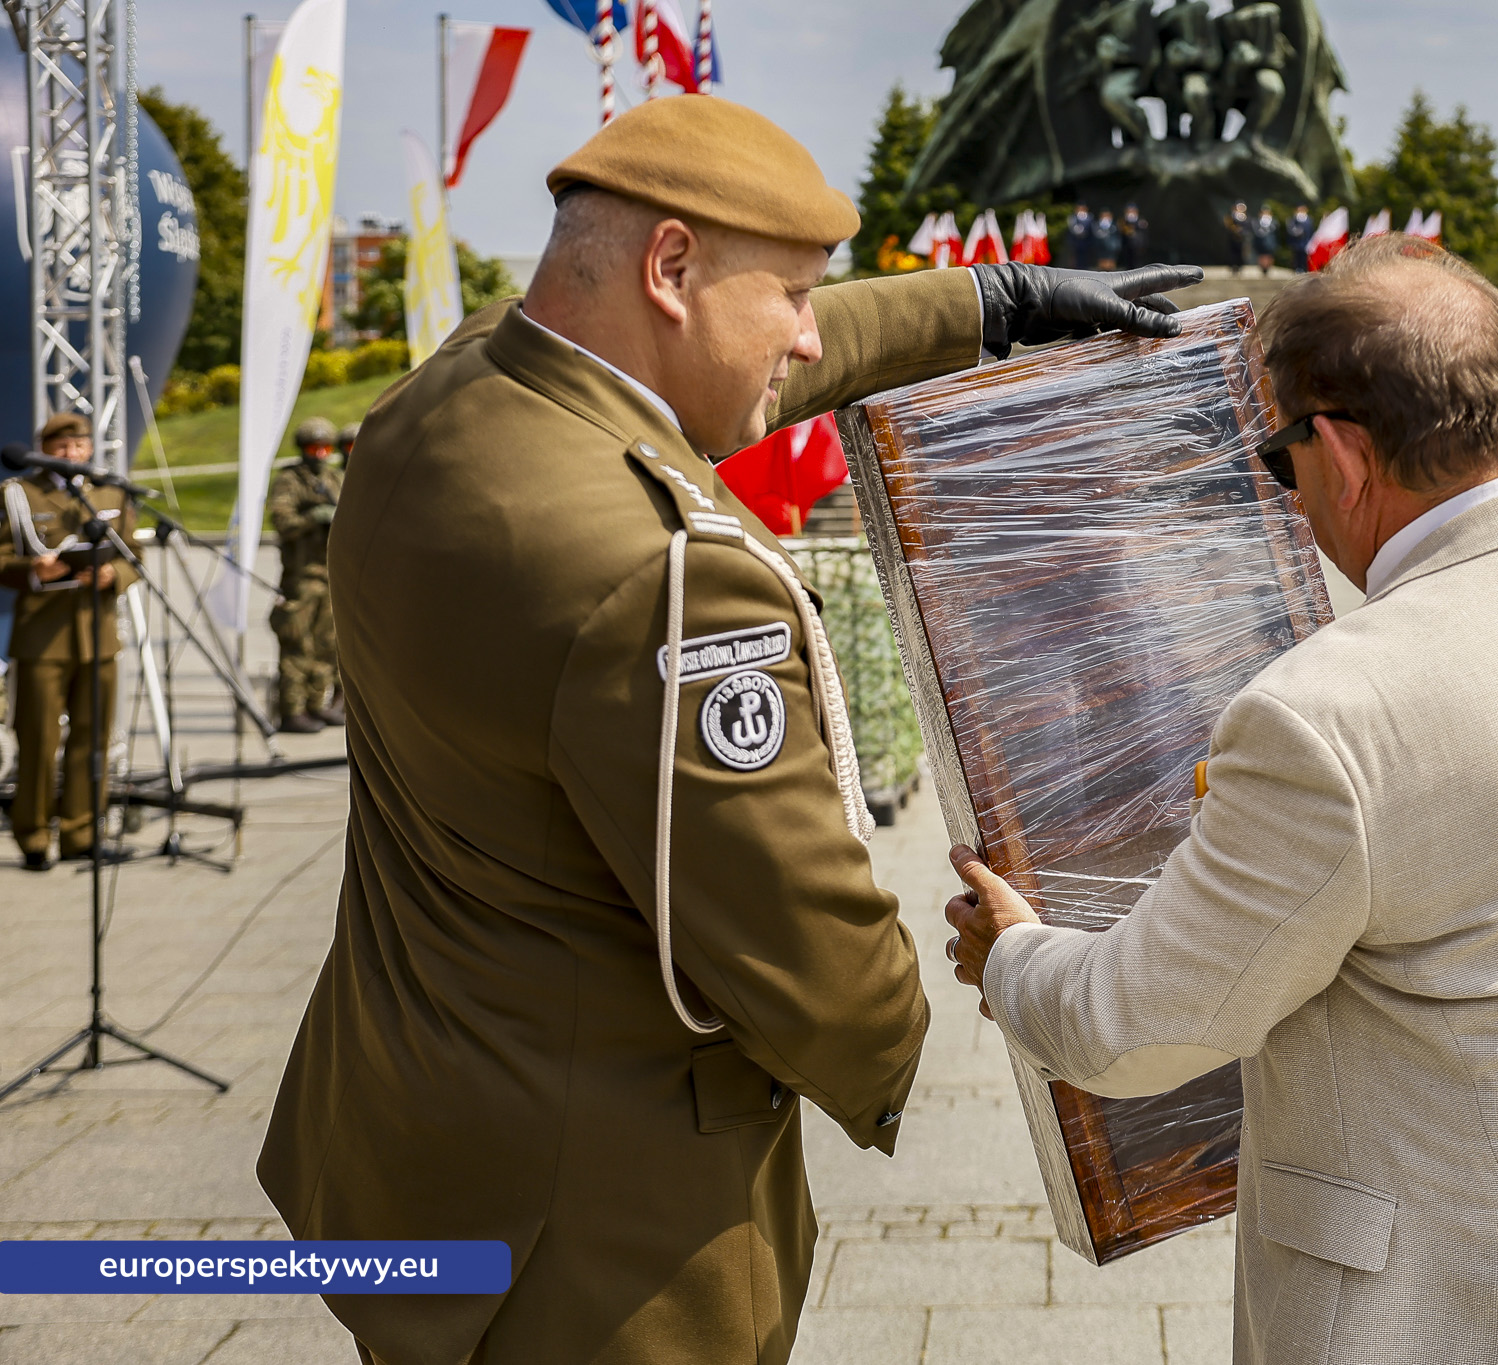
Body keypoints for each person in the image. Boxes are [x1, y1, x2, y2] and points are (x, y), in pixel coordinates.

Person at [256, 94, 1198, 1365]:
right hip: (601, 1239)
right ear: (670, 266)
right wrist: (973, 1003)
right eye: (796, 295)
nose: (811, 339)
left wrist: (988, 304)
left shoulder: (449, 400)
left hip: (418, 1150)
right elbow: (804, 943)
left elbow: (726, 348)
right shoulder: (664, 576)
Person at [943, 235, 1498, 1365]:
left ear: (1339, 449)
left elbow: (1137, 1028)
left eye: (1280, 462)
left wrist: (1013, 954)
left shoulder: (1329, 712)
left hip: (1489, 1312)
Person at [0, 413, 138, 869]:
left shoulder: (110, 493)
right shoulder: (18, 494)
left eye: (78, 445)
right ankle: (34, 836)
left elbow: (134, 556)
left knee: (91, 738)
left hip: (97, 638)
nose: (70, 453)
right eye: (60, 446)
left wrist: (111, 574)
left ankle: (82, 832)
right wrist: (31, 571)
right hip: (42, 637)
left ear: (90, 450)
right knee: (39, 740)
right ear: (44, 449)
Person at [267, 417, 346, 733]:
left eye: (325, 448)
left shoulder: (334, 479)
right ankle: (292, 709)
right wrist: (313, 518)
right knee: (298, 643)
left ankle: (316, 703)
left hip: (331, 573)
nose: (320, 454)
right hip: (302, 576)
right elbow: (283, 522)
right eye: (314, 448)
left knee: (327, 644)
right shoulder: (290, 481)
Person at [1118, 202, 1149, 269]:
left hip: (1138, 248)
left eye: (1132, 210)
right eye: (1129, 211)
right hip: (1127, 248)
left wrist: (1143, 246)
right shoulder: (1123, 221)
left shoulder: (1141, 221)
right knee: (1128, 266)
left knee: (1138, 266)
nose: (1130, 213)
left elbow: (1144, 235)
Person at [1251, 204, 1279, 275]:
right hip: (1260, 242)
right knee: (1261, 256)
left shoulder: (1274, 222)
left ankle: (1268, 268)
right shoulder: (1256, 221)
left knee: (1269, 256)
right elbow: (1256, 231)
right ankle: (1262, 268)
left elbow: (1275, 230)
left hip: (1270, 243)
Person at [1286, 202, 1314, 271]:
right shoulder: (1293, 219)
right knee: (1296, 257)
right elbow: (1290, 229)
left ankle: (1304, 268)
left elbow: (1311, 231)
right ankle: (1297, 268)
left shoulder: (1309, 220)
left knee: (1304, 257)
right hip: (1296, 243)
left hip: (1306, 242)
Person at [1225, 200, 1250, 271]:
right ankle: (1233, 266)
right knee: (1232, 253)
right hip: (1233, 238)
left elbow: (1248, 227)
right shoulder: (1231, 216)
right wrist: (1234, 230)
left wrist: (1242, 231)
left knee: (1242, 254)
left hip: (1242, 238)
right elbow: (1228, 225)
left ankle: (1240, 266)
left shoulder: (1246, 217)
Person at [1065, 202, 1092, 268]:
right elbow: (1072, 228)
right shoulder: (1072, 217)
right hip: (1075, 242)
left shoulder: (1090, 218)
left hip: (1086, 242)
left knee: (1085, 259)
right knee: (1074, 259)